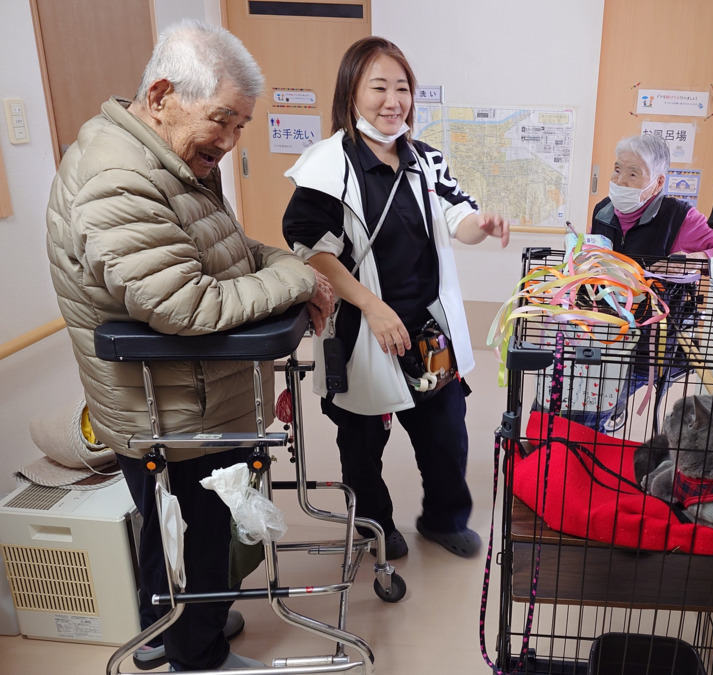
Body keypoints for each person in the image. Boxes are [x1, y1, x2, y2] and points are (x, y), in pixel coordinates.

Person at [45, 20, 332, 672]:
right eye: (222, 121)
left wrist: (292, 267)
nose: (229, 142)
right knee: (195, 539)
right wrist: (297, 279)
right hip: (169, 412)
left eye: (241, 126)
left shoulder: (170, 160)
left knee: (173, 531)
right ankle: (197, 655)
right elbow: (185, 302)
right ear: (161, 95)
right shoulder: (117, 178)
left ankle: (168, 630)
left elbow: (230, 252)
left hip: (190, 401)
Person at [281, 37, 508, 560]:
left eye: (402, 88)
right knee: (361, 443)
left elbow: (459, 216)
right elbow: (314, 253)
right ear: (351, 93)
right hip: (362, 328)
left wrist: (481, 225)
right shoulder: (326, 167)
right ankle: (375, 526)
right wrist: (372, 306)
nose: (393, 101)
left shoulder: (425, 160)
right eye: (378, 87)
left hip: (426, 328)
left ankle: (444, 519)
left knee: (446, 433)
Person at [587, 133, 713, 432]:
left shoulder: (680, 218)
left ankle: (590, 436)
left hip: (651, 342)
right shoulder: (603, 210)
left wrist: (693, 259)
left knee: (596, 406)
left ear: (658, 183)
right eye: (617, 170)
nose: (620, 180)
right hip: (605, 329)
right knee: (576, 394)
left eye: (633, 174)